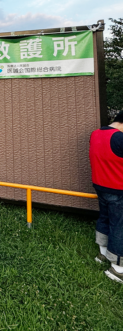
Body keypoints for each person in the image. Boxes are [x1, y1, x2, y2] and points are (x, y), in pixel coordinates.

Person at [89, 110, 123, 283]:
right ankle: (118, 267)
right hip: (117, 188)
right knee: (119, 225)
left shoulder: (96, 134)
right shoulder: (118, 138)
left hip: (100, 185)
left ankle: (102, 254)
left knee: (104, 218)